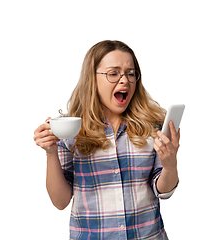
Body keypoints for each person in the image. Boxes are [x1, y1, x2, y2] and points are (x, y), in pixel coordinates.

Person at [33, 40, 180, 239]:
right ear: (92, 79)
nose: (125, 80)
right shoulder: (69, 129)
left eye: (130, 73)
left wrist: (170, 166)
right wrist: (50, 151)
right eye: (113, 73)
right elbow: (60, 201)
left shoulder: (152, 125)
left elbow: (163, 190)